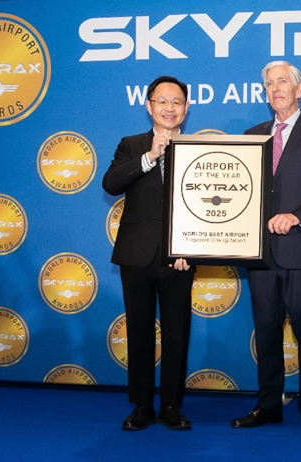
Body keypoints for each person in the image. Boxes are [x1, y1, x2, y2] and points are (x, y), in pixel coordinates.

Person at [231, 61, 301, 436]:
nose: (275, 88)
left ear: (299, 89)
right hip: (260, 253)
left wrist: (297, 216)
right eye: (269, 83)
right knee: (266, 332)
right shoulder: (252, 136)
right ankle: (268, 405)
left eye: (282, 81)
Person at [103, 75, 194, 431]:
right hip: (136, 255)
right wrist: (150, 156)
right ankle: (141, 405)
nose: (170, 108)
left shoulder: (200, 150)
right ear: (149, 106)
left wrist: (190, 248)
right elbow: (111, 183)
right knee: (139, 331)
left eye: (177, 102)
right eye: (162, 101)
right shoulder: (131, 145)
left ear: (186, 108)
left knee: (176, 333)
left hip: (180, 258)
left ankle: (171, 405)